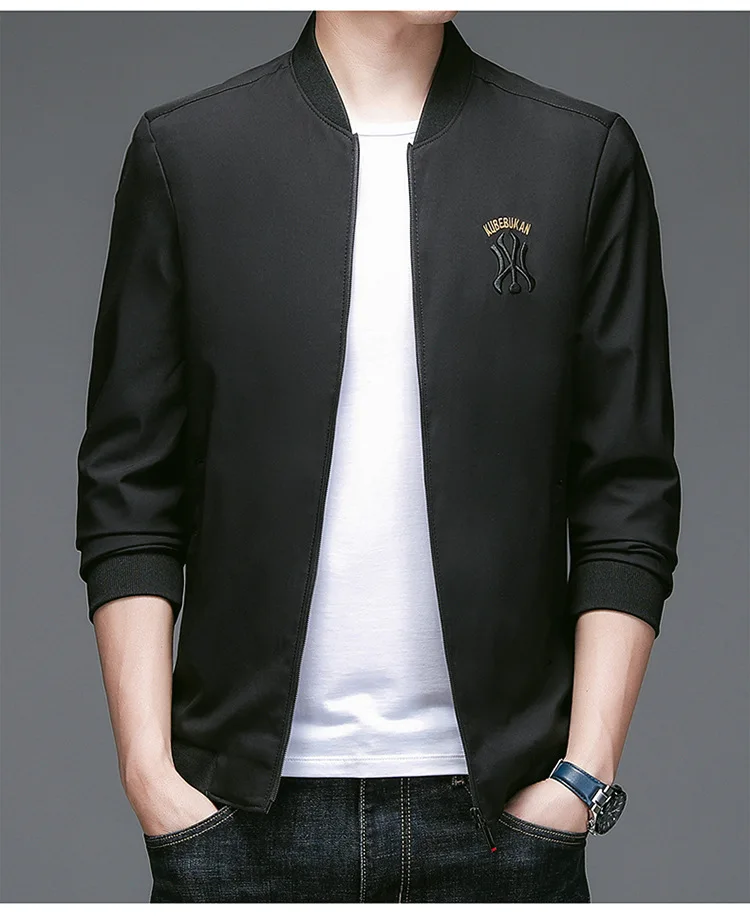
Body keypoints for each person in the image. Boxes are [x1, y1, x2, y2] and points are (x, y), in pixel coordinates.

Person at [75, 10, 681, 903]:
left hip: (504, 821)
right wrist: (149, 776)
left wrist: (582, 775)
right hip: (233, 819)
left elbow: (626, 489)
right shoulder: (190, 154)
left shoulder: (579, 156)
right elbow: (129, 487)